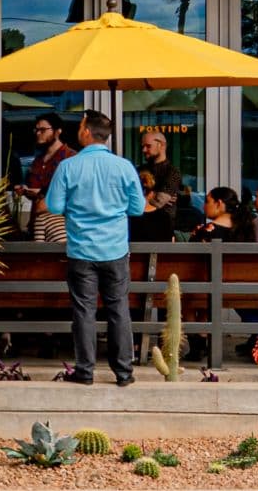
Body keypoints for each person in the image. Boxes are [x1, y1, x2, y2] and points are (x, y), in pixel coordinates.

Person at [45, 110, 144, 386]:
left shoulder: (68, 167)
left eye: (80, 127)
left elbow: (53, 205)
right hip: (115, 250)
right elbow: (137, 208)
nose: (78, 130)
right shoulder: (124, 167)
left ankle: (85, 371)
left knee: (83, 311)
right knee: (118, 310)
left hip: (81, 251)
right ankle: (123, 373)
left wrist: (76, 207)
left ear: (87, 131)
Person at [17, 114, 77, 243]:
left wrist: (42, 193)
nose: (38, 133)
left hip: (61, 227)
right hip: (37, 222)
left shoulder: (70, 158)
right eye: (36, 130)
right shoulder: (38, 161)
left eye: (43, 130)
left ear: (58, 131)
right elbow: (37, 191)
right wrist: (26, 191)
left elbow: (76, 194)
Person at [137, 129, 185, 216]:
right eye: (143, 146)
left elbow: (158, 202)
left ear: (161, 145)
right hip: (138, 220)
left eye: (148, 146)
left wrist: (140, 196)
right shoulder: (140, 169)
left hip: (163, 221)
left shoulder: (172, 172)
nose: (144, 150)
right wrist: (151, 196)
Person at [128, 169, 176, 242]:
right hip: (160, 250)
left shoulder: (128, 217)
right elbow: (171, 241)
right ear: (152, 194)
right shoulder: (164, 217)